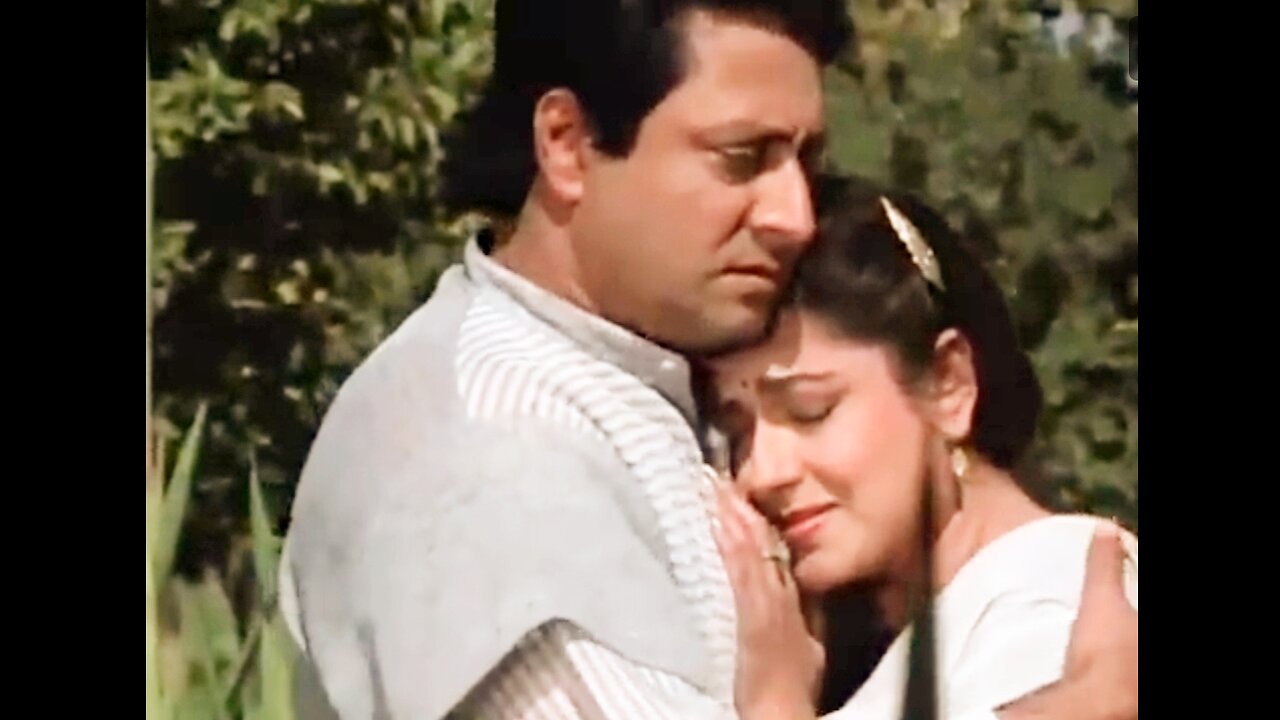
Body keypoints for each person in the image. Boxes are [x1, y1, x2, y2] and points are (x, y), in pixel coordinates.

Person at [277, 2, 1140, 718]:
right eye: (742, 159)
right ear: (567, 144)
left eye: (806, 161)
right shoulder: (491, 441)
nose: (794, 215)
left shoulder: (642, 391)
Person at [708, 175, 1138, 720]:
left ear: (948, 384)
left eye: (811, 409)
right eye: (737, 434)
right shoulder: (932, 628)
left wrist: (776, 707)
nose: (761, 472)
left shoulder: (1050, 616)